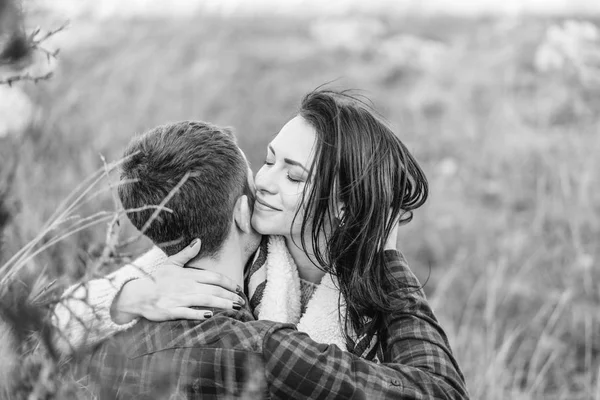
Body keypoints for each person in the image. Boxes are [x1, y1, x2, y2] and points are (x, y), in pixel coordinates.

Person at [55, 90, 469, 398]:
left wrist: (387, 261)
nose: (265, 183)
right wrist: (130, 295)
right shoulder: (217, 252)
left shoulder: (369, 289)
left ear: (344, 206)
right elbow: (56, 321)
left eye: (294, 176)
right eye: (270, 160)